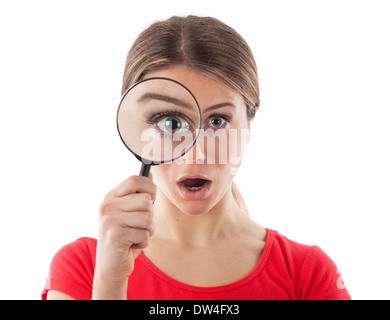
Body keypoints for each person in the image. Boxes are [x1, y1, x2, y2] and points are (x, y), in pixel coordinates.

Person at [42, 15, 351, 300]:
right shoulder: (83, 267)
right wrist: (109, 281)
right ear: (136, 124)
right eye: (171, 123)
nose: (197, 153)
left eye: (218, 122)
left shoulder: (306, 273)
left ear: (249, 123)